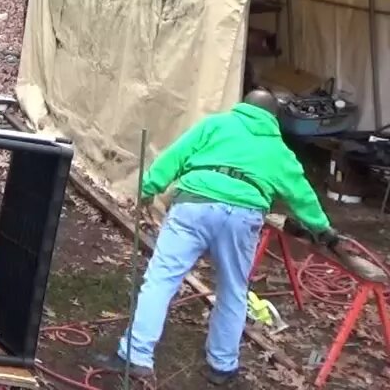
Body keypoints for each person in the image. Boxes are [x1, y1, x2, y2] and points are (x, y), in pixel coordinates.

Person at [99, 89, 339, 385]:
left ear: (243, 107)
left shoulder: (216, 125)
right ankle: (222, 366)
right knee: (233, 290)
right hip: (243, 216)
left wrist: (150, 187)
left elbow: (176, 153)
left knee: (161, 280)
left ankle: (135, 356)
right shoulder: (278, 149)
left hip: (194, 204)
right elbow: (301, 194)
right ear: (273, 118)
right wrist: (322, 229)